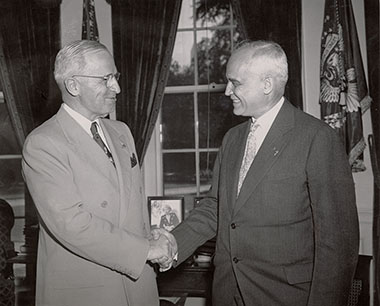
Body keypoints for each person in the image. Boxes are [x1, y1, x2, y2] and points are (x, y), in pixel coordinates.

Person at [160, 40, 359, 306]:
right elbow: (215, 207)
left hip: (285, 297)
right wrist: (173, 244)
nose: (227, 90)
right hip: (227, 293)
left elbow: (338, 244)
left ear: (267, 85)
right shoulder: (232, 138)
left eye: (236, 83)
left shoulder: (316, 138)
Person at [22, 40, 175, 306]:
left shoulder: (122, 132)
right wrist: (147, 250)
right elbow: (72, 224)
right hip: (88, 293)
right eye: (106, 79)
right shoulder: (43, 143)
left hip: (138, 289)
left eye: (115, 77)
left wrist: (156, 235)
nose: (117, 87)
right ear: (73, 85)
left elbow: (129, 209)